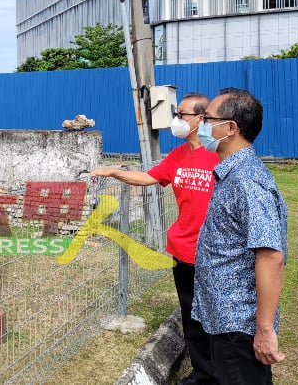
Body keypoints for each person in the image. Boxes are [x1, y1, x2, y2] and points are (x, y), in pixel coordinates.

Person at [93, 92, 219, 385]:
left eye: (182, 115)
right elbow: (149, 178)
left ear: (201, 119)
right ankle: (203, 373)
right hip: (182, 249)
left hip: (214, 252)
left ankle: (224, 371)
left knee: (217, 316)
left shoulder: (220, 155)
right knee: (191, 316)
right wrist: (113, 171)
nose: (176, 121)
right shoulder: (177, 155)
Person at [192, 87, 288, 385]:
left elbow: (271, 256)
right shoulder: (232, 174)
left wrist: (264, 329)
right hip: (224, 318)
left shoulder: (247, 182)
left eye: (207, 118)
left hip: (239, 325)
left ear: (230, 128)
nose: (200, 125)